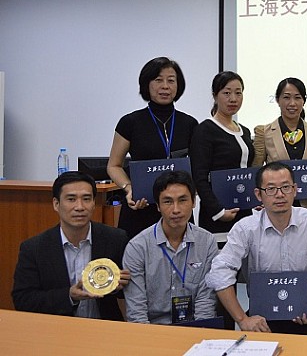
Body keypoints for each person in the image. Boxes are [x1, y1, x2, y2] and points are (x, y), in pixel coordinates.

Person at [206, 162, 307, 335]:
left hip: (306, 315)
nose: (279, 194)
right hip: (262, 320)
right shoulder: (245, 228)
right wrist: (242, 319)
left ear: (295, 189)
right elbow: (219, 271)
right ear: (258, 194)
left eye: (285, 187)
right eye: (271, 189)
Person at [12, 171, 130, 320]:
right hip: (56, 328)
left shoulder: (116, 239)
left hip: (104, 327)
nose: (79, 207)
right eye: (71, 199)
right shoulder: (34, 248)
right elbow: (23, 300)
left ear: (94, 203)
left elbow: (131, 292)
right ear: (56, 204)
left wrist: (117, 286)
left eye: (86, 199)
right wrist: (69, 296)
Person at [107, 57, 198, 240]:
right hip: (141, 206)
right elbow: (114, 165)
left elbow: (197, 166)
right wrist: (129, 188)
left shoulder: (190, 124)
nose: (165, 86)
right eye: (158, 80)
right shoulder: (130, 122)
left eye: (171, 80)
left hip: (177, 210)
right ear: (146, 84)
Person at [123, 170, 218, 324]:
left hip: (194, 327)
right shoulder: (137, 247)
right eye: (168, 202)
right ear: (158, 206)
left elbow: (205, 302)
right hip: (152, 329)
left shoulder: (207, 242)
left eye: (182, 200)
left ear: (194, 202)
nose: (176, 210)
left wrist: (200, 333)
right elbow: (137, 312)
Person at [189, 71, 254, 234]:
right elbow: (199, 177)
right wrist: (217, 211)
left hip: (245, 210)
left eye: (238, 93)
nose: (233, 99)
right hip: (219, 214)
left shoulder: (244, 131)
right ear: (215, 95)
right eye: (226, 93)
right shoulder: (205, 130)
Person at [253, 77, 307, 215]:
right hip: (276, 205)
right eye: (286, 97)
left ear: (304, 100)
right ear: (277, 100)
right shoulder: (264, 132)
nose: (292, 103)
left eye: (297, 98)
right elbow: (256, 170)